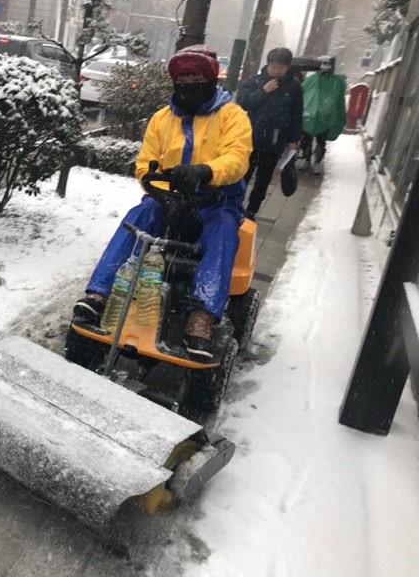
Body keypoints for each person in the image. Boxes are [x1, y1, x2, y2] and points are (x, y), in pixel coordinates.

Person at [72, 45, 253, 361]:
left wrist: (207, 171)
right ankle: (99, 293)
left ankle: (202, 315)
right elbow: (145, 164)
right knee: (139, 215)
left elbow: (237, 158)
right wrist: (158, 192)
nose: (189, 82)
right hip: (168, 200)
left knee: (224, 230)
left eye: (196, 76)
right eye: (183, 77)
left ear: (210, 79)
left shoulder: (232, 116)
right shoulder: (161, 119)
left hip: (215, 202)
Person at [237, 47, 303, 220]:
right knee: (242, 176)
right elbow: (243, 103)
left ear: (287, 67)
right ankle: (234, 207)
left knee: (263, 180)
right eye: (273, 66)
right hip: (251, 139)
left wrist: (293, 139)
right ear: (267, 64)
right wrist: (264, 91)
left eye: (281, 67)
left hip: (275, 141)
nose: (276, 71)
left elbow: (296, 114)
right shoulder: (255, 81)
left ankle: (251, 211)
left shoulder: (294, 88)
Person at [299, 55, 346, 174]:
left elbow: (339, 100)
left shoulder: (337, 82)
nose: (324, 66)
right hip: (309, 116)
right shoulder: (311, 79)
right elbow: (302, 93)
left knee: (321, 141)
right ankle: (307, 160)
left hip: (325, 117)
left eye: (327, 63)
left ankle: (317, 162)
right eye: (322, 63)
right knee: (306, 140)